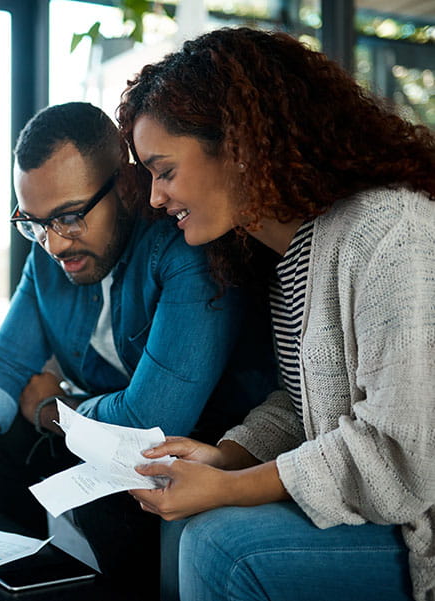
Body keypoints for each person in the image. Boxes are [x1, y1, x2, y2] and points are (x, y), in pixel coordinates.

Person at [117, 27, 435, 601]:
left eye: (164, 171)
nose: (157, 198)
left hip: (420, 524)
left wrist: (228, 488)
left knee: (219, 543)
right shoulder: (294, 253)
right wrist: (225, 456)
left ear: (237, 144)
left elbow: (401, 451)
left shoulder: (393, 234)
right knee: (180, 529)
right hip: (374, 507)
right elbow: (306, 404)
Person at [0, 101, 277, 592]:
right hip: (103, 435)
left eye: (70, 216)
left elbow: (152, 418)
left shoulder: (184, 248)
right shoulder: (48, 256)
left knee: (106, 474)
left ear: (125, 186)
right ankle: (8, 577)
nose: (54, 244)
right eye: (34, 223)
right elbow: (2, 365)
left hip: (193, 447)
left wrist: (52, 409)